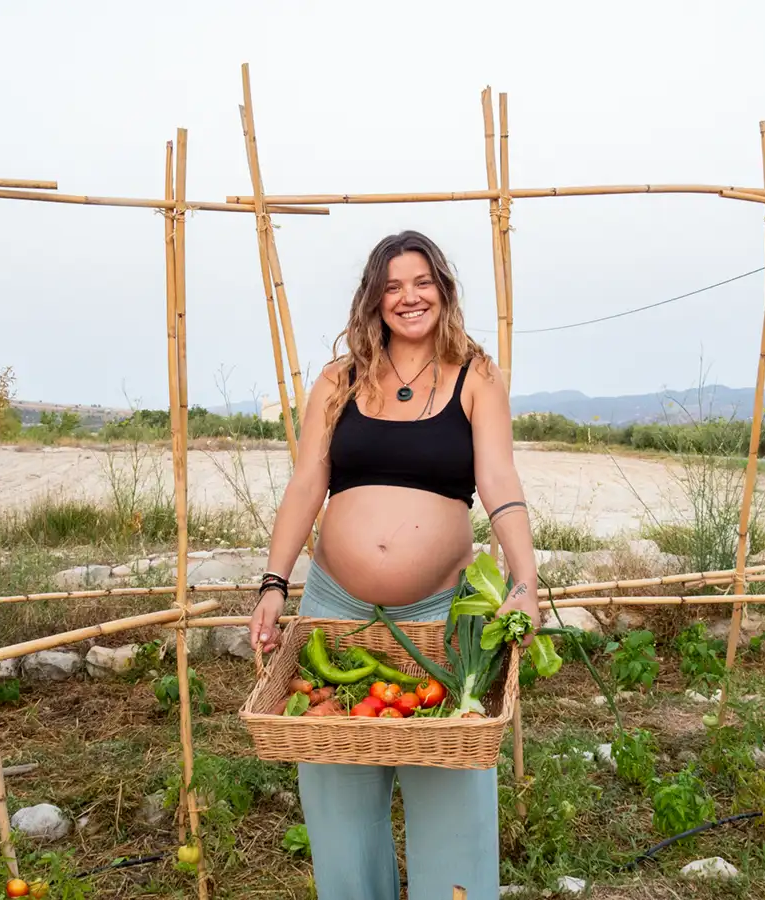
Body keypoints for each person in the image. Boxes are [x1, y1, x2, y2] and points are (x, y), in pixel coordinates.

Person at [247, 229, 539, 900]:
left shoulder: (475, 374)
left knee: (453, 788)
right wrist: (273, 583)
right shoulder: (340, 379)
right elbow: (306, 484)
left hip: (442, 610)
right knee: (338, 795)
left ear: (443, 289)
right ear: (375, 301)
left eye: (421, 282)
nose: (409, 298)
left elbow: (499, 481)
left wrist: (524, 580)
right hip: (335, 605)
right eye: (393, 286)